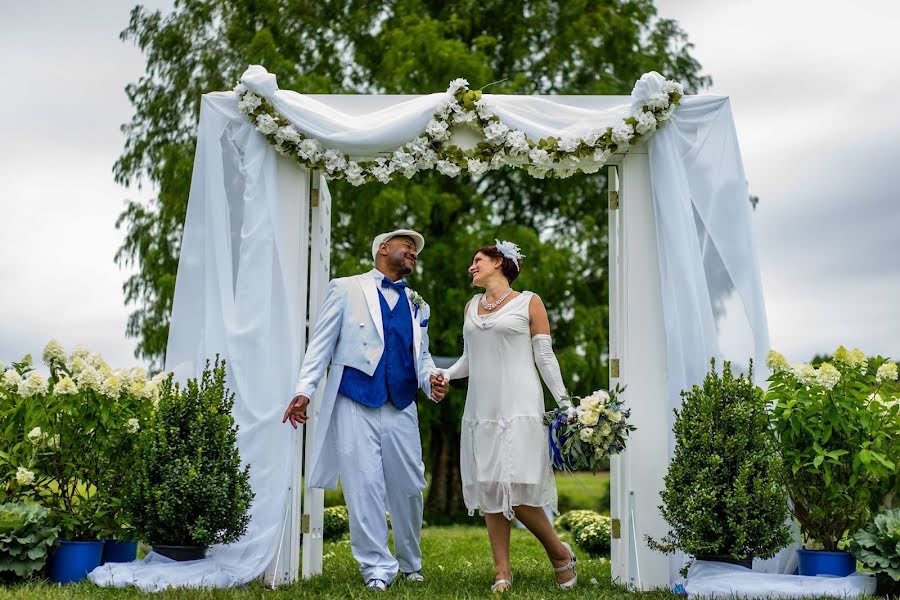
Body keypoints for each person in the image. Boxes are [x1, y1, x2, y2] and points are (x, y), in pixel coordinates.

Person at [282, 229, 449, 592]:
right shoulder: (345, 288)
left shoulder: (417, 303)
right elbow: (320, 345)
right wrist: (304, 390)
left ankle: (410, 562)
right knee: (364, 486)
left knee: (409, 486)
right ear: (383, 249)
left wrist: (431, 379)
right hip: (355, 400)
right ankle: (377, 568)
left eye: (416, 250)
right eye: (408, 247)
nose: (414, 253)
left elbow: (420, 355)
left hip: (401, 402)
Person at [436, 240, 577, 592]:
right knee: (489, 488)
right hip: (482, 407)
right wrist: (447, 375)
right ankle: (502, 572)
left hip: (519, 406)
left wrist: (565, 403)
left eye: (478, 260)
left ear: (499, 262)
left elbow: (544, 356)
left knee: (517, 489)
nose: (472, 267)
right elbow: (469, 358)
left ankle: (560, 554)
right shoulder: (471, 306)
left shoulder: (530, 302)